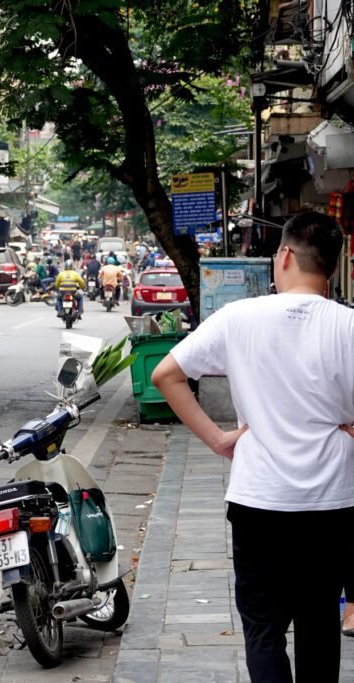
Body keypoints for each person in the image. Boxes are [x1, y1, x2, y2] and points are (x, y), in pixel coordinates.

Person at [152, 211, 354, 683]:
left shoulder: (239, 317)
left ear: (284, 255)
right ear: (332, 265)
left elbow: (167, 375)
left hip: (259, 500)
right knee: (319, 626)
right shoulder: (348, 326)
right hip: (332, 503)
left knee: (262, 631)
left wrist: (219, 440)